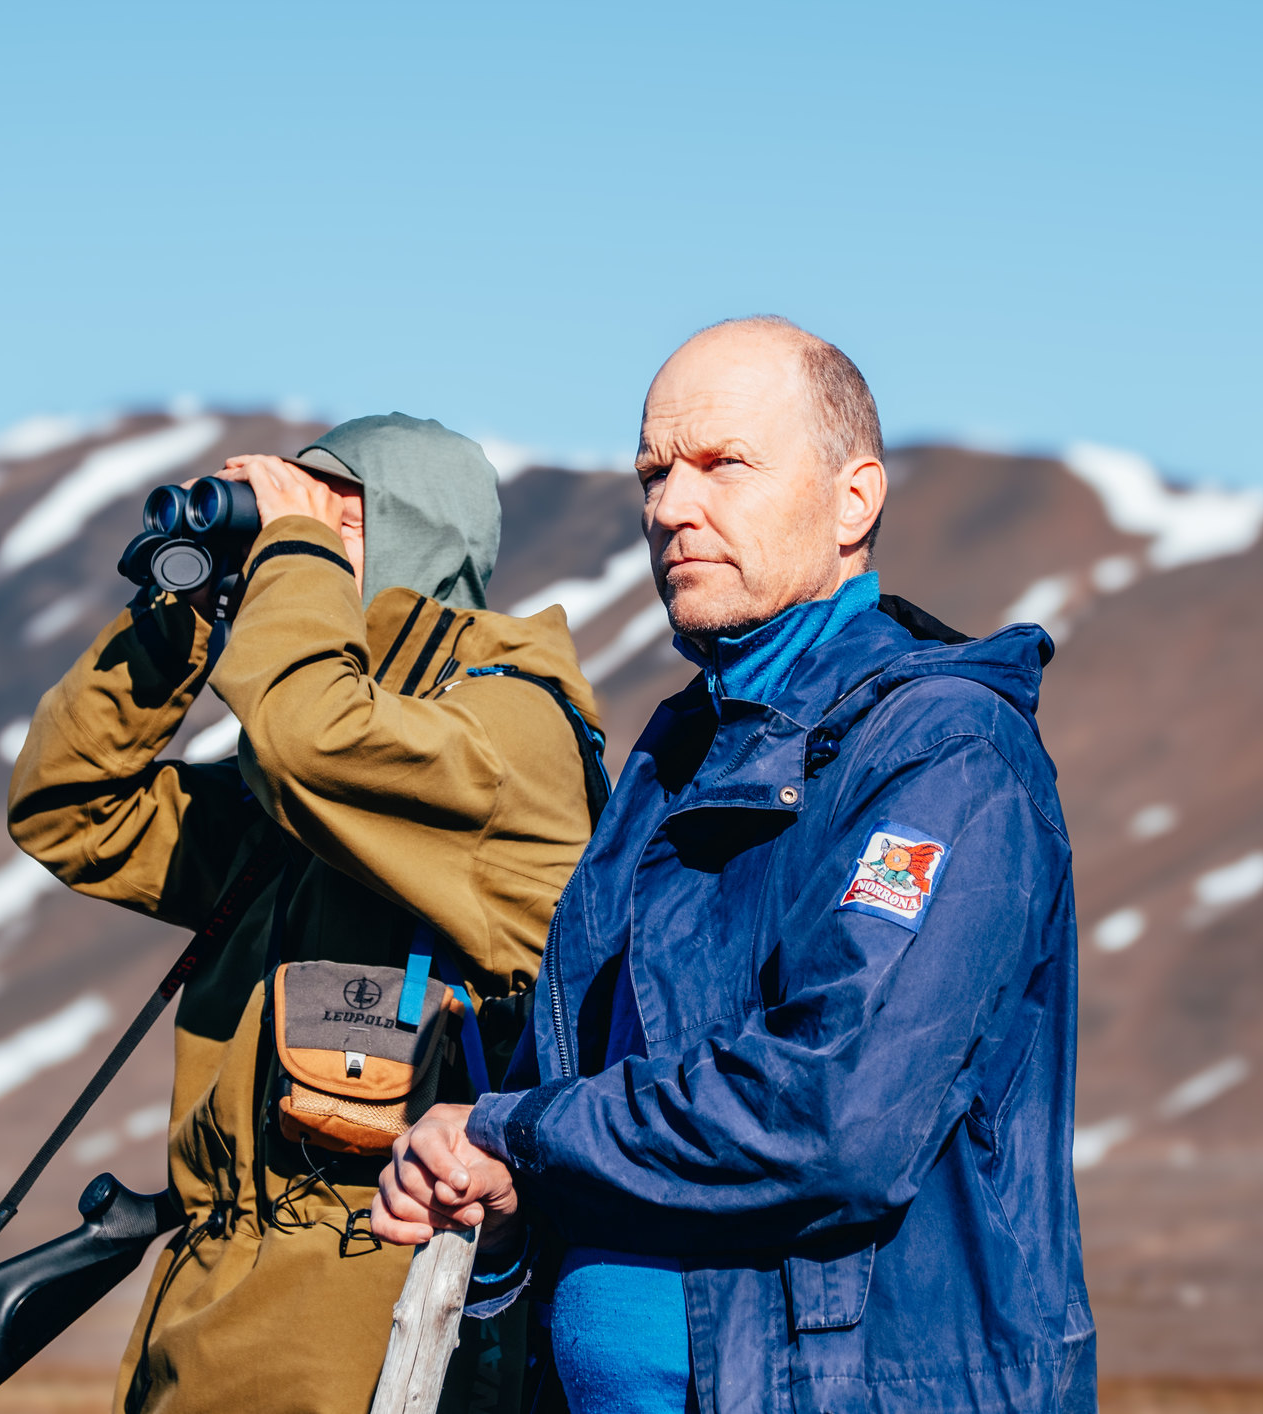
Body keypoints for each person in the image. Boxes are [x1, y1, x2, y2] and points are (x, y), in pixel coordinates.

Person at [372, 320, 1096, 1414]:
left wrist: (516, 1128)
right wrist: (506, 1183)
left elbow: (831, 1112)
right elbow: (599, 1087)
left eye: (723, 464)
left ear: (855, 500)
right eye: (654, 473)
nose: (669, 507)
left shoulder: (945, 754)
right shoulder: (680, 752)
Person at [8, 414, 603, 1414]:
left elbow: (307, 740)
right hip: (204, 1334)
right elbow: (72, 809)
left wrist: (291, 550)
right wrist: (182, 615)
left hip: (371, 1339)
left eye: (325, 521)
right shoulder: (310, 783)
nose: (285, 544)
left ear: (412, 535)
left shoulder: (505, 731)